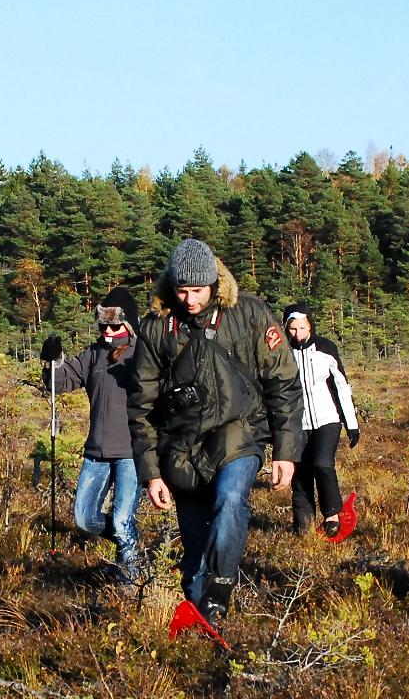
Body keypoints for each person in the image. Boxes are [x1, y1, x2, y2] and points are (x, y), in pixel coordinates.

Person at [128, 239, 303, 637]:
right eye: (182, 290)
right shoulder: (157, 327)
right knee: (193, 543)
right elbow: (141, 406)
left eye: (198, 290)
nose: (190, 299)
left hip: (240, 435)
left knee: (229, 501)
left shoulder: (251, 314)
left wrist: (286, 451)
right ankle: (199, 622)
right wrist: (151, 473)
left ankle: (217, 594)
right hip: (181, 448)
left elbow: (284, 384)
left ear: (214, 283)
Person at [42, 287, 146, 584]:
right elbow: (60, 382)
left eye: (114, 325)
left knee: (123, 522)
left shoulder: (142, 354)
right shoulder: (93, 353)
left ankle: (132, 580)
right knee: (84, 518)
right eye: (103, 326)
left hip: (131, 452)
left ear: (129, 324)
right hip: (96, 452)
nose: (108, 331)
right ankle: (132, 550)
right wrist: (53, 360)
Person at [281, 303, 361, 538]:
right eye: (293, 329)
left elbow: (341, 387)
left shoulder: (326, 349)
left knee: (322, 463)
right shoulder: (282, 353)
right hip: (297, 423)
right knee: (300, 474)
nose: (298, 333)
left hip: (328, 419)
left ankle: (332, 514)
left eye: (303, 328)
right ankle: (303, 527)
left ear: (311, 325)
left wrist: (352, 424)